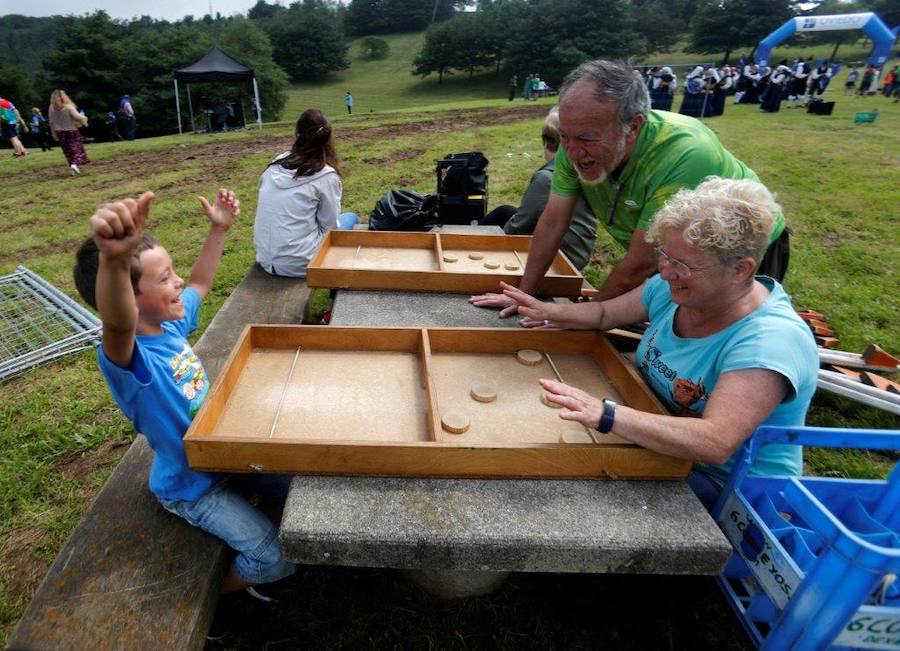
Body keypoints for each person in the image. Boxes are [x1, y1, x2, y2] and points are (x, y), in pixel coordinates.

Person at [500, 177, 818, 509]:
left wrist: (605, 414)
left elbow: (715, 442)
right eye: (664, 255)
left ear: (740, 270)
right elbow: (604, 313)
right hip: (663, 448)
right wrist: (544, 310)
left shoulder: (769, 342)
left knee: (557, 495)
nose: (665, 272)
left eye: (682, 264)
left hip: (728, 490)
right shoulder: (676, 289)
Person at [72, 189, 296, 631]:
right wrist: (115, 261)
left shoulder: (169, 321)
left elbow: (199, 285)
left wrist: (218, 230)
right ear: (130, 299)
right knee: (275, 558)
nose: (176, 283)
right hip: (192, 485)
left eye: (171, 272)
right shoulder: (129, 357)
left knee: (299, 489)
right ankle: (206, 596)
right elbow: (117, 321)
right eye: (163, 278)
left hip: (222, 455)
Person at [471, 59, 789, 317]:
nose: (571, 151)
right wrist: (524, 294)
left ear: (633, 126)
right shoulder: (575, 143)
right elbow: (553, 222)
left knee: (708, 335)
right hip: (673, 254)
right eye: (565, 136)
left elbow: (640, 262)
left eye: (585, 138)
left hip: (737, 250)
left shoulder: (684, 155)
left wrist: (586, 317)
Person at [478, 107, 597, 271]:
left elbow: (517, 227)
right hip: (579, 253)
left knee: (503, 218)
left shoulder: (547, 178)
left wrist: (493, 243)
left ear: (547, 143)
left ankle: (465, 240)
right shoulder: (583, 169)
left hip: (561, 259)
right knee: (505, 211)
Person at [254, 108, 359, 277]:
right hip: (301, 262)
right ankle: (341, 279)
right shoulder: (326, 175)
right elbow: (330, 227)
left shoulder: (276, 165)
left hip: (266, 258)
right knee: (352, 218)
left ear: (297, 134)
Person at [48, 89, 89, 175]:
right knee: (76, 149)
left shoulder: (51, 107)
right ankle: (74, 165)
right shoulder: (69, 107)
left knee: (67, 151)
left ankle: (72, 167)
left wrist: (53, 133)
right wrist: (84, 118)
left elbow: (51, 122)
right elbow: (78, 117)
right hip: (71, 131)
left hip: (59, 132)